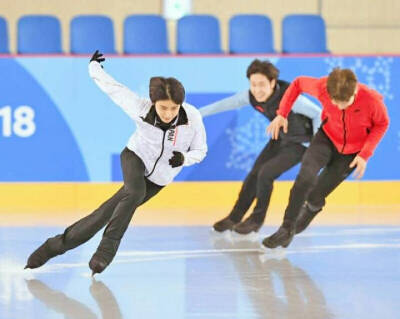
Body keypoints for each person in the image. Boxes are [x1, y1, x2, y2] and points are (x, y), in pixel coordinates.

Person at [25, 50, 207, 275]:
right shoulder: (140, 108)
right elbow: (114, 89)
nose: (168, 113)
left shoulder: (193, 118)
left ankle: (50, 248)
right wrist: (94, 67)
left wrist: (185, 158)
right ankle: (104, 254)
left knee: (103, 215)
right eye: (163, 108)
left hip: (159, 179)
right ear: (153, 103)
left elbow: (201, 150)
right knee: (134, 192)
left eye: (173, 108)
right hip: (134, 158)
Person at [263, 68, 389, 249]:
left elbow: (382, 124)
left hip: (351, 154)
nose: (339, 107)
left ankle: (310, 210)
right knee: (304, 178)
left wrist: (365, 154)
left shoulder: (371, 100)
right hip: (326, 138)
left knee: (316, 195)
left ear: (355, 91)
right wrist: (282, 113)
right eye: (334, 102)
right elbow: (298, 82)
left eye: (344, 103)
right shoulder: (322, 86)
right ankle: (286, 228)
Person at [201, 59, 321, 234]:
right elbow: (225, 104)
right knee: (254, 175)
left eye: (262, 84)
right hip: (279, 138)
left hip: (301, 143)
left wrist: (316, 145)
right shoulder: (250, 96)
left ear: (272, 83)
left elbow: (319, 113)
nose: (257, 90)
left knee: (266, 174)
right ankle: (234, 217)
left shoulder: (292, 98)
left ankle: (255, 221)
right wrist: (197, 114)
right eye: (253, 84)